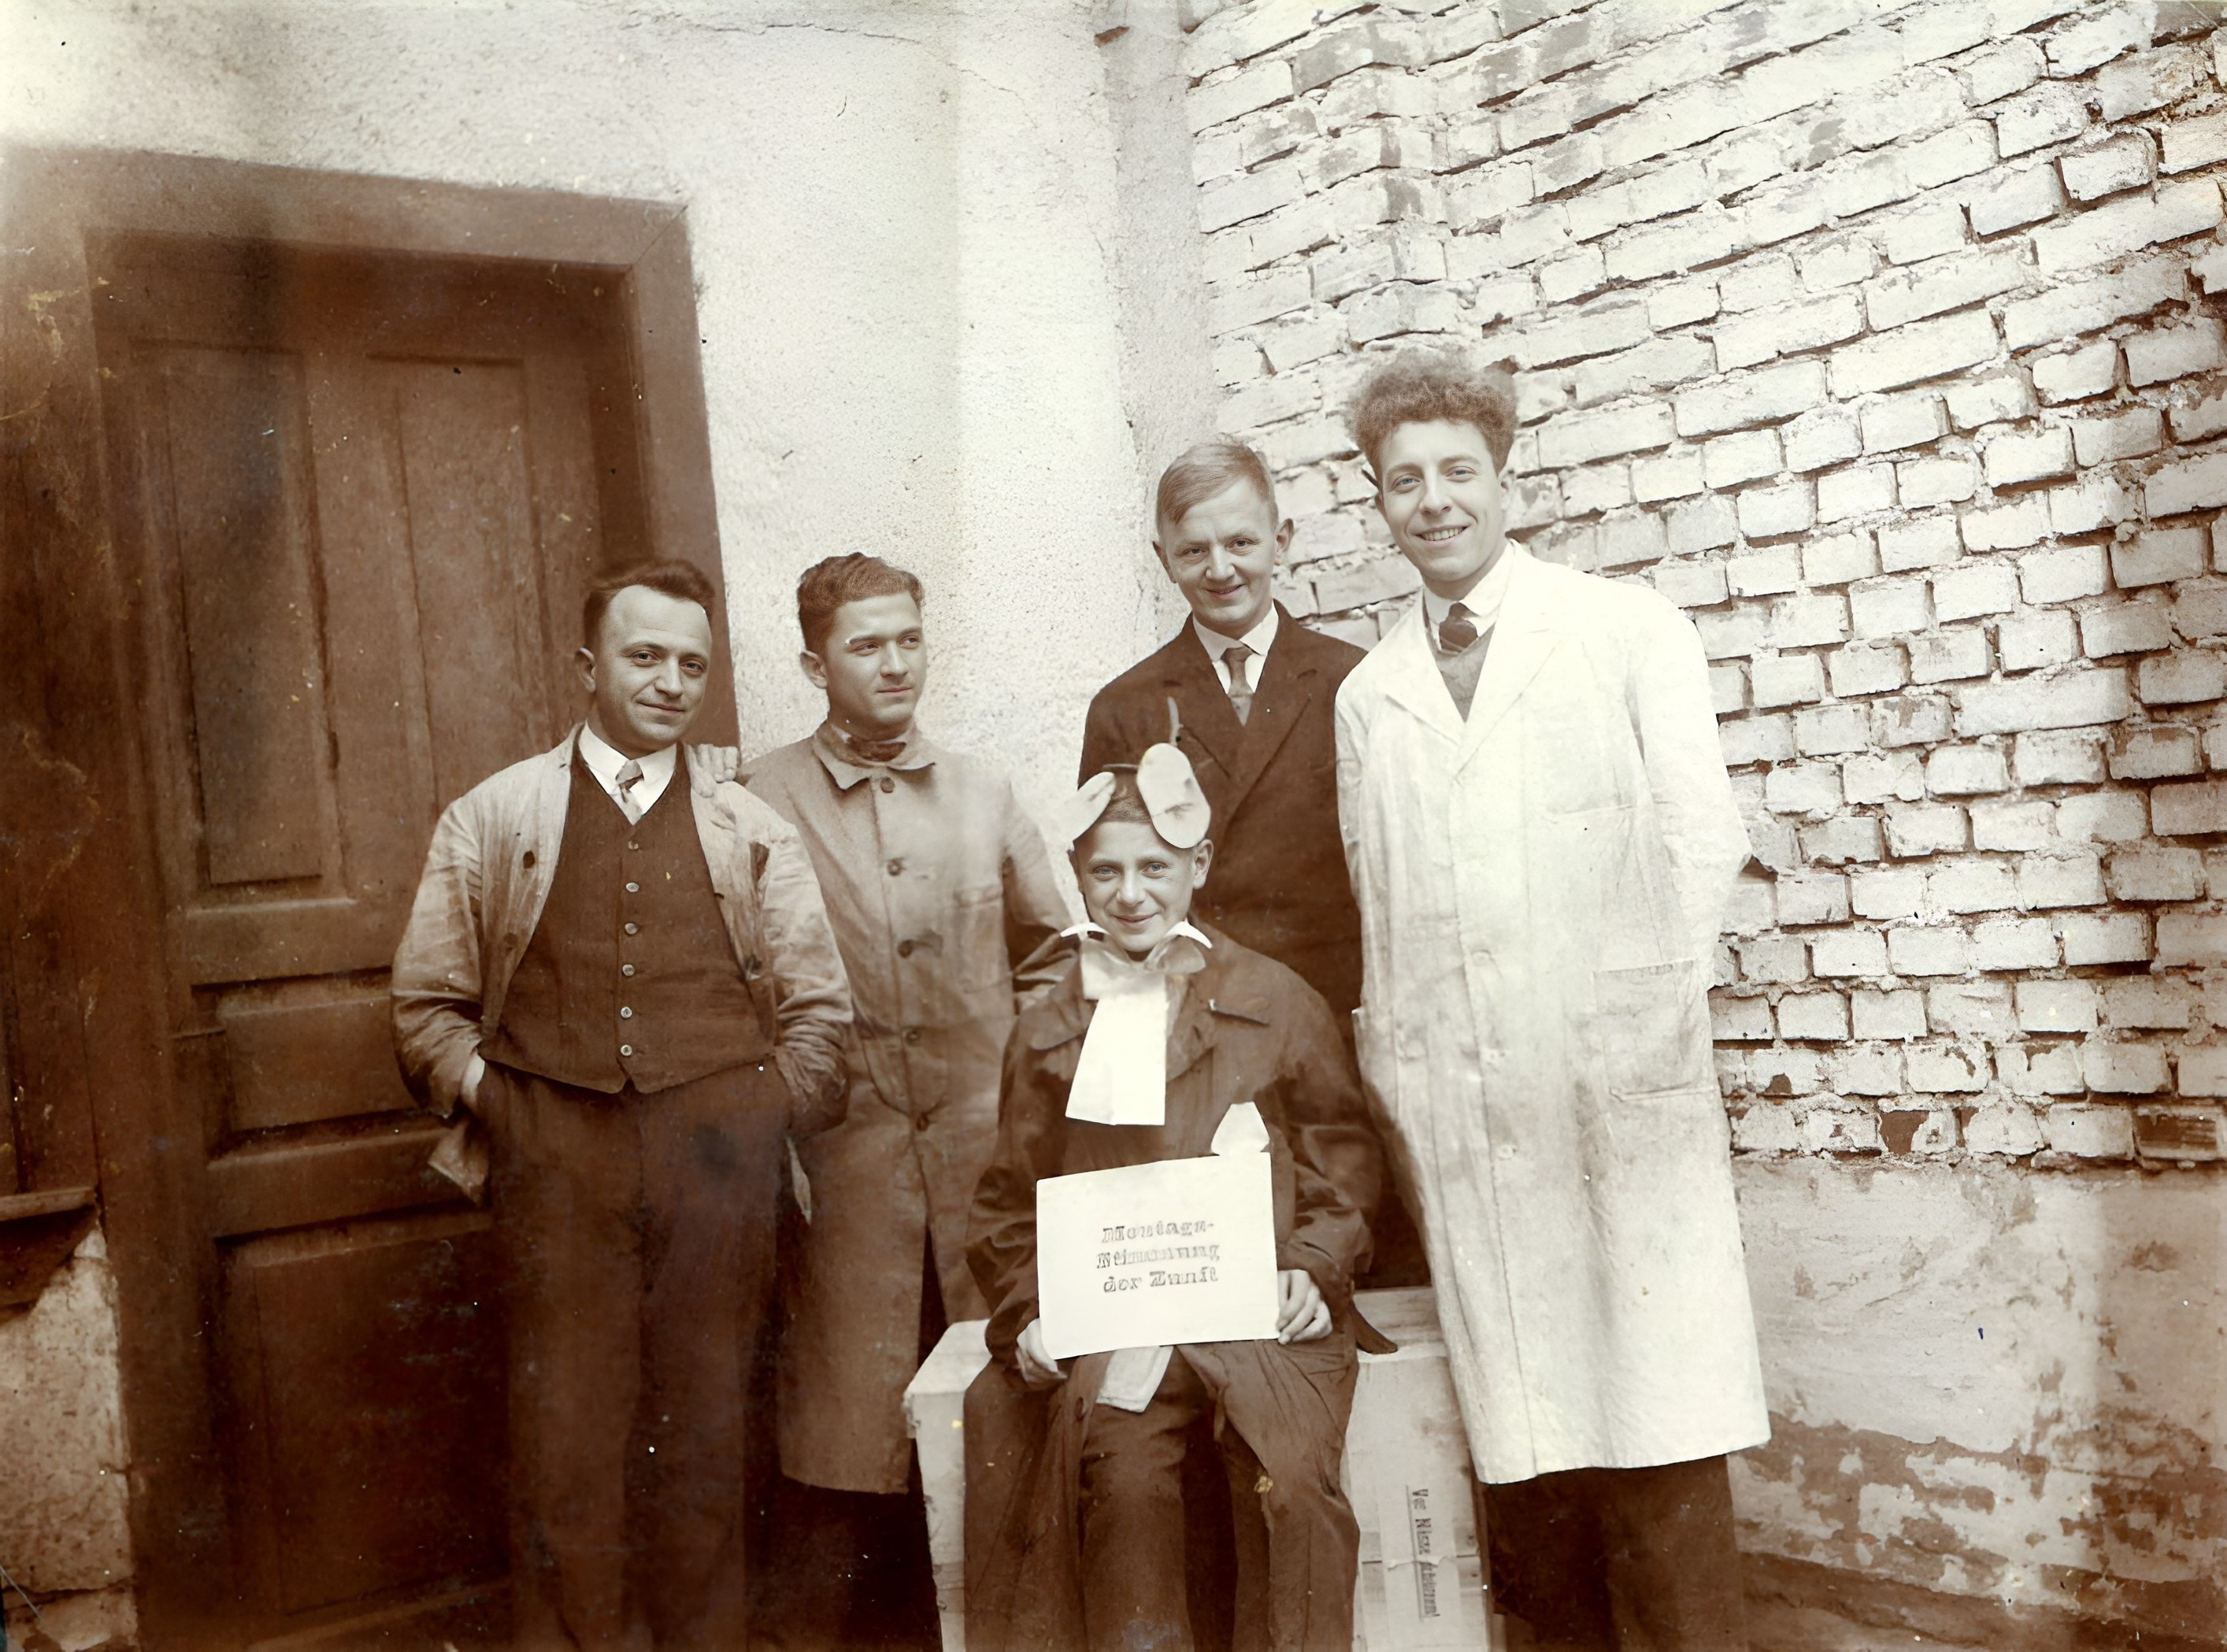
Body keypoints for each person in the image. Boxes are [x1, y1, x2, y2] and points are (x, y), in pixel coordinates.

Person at [1333, 350, 1768, 1649]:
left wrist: (1631, 1024)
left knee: (1656, 1423)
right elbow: (1382, 900)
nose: (1433, 501)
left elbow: (1701, 838)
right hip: (1467, 1116)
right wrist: (1399, 1061)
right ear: (1377, 499)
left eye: (1456, 470)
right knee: (1529, 1460)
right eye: (1401, 480)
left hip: (1611, 1104)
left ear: (1501, 473)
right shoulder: (1369, 695)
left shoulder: (1623, 629)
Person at [390, 560, 852, 1652]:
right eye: (645, 656)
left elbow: (823, 1016)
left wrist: (755, 1113)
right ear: (588, 665)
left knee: (705, 1440)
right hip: (556, 1160)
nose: (670, 681)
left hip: (719, 1165)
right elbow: (424, 1007)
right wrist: (506, 1106)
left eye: (693, 663)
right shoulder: (497, 815)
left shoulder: (750, 831)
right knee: (567, 1444)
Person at [962, 746, 1383, 1652]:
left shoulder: (1273, 999)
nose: (1129, 894)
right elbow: (1003, 1207)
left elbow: (1340, 1157)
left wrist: (1312, 1265)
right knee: (1120, 1481)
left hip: (1255, 1317)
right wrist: (1034, 1309)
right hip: (1125, 1322)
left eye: (1154, 866)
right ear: (1075, 878)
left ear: (1197, 867)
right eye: (1104, 870)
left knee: (1291, 1484)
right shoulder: (1046, 1028)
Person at [741, 554, 1071, 1644]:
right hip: (845, 1175)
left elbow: (1056, 962)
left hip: (985, 1168)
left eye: (908, 639)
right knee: (848, 1450)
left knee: (998, 1417)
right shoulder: (757, 799)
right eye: (865, 645)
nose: (893, 663)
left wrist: (1014, 1092)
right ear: (812, 662)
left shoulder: (984, 790)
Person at [1079, 440, 1365, 1022]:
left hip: (1332, 1008)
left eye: (1241, 543)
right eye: (1193, 551)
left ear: (1280, 541)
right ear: (1164, 560)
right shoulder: (1124, 707)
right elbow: (1109, 891)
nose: (1219, 569)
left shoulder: (1352, 680)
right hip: (1195, 1018)